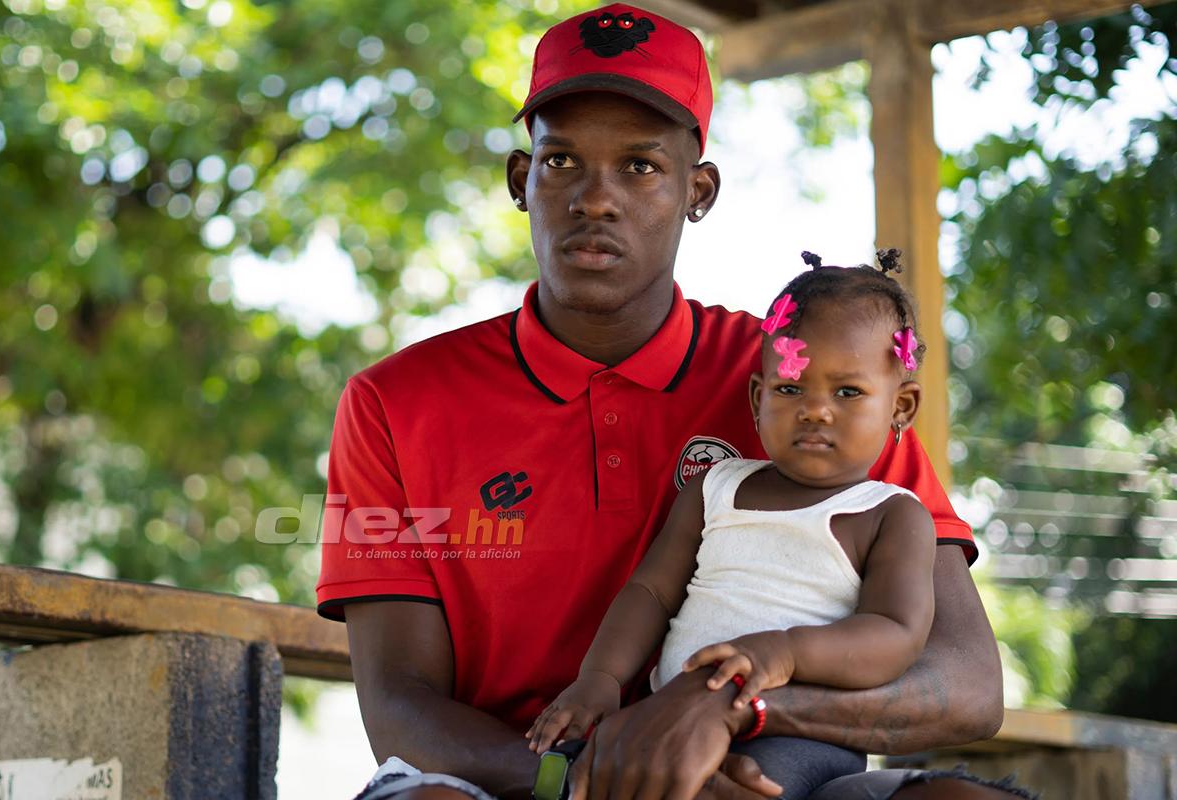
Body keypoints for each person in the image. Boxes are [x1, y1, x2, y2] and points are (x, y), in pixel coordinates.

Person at [317, 5, 1020, 799]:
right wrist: (594, 781)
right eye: (561, 163)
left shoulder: (812, 380)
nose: (596, 199)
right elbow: (397, 704)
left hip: (770, 768)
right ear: (522, 181)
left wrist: (732, 714)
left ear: (699, 190)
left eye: (641, 166)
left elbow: (967, 686)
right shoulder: (393, 402)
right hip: (516, 781)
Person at [525, 251, 939, 800]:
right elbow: (650, 592)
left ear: (901, 408)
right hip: (663, 715)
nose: (816, 410)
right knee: (585, 777)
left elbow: (896, 633)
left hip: (795, 733)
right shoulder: (716, 487)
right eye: (790, 389)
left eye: (847, 392)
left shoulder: (889, 514)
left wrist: (785, 652)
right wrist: (599, 680)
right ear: (756, 398)